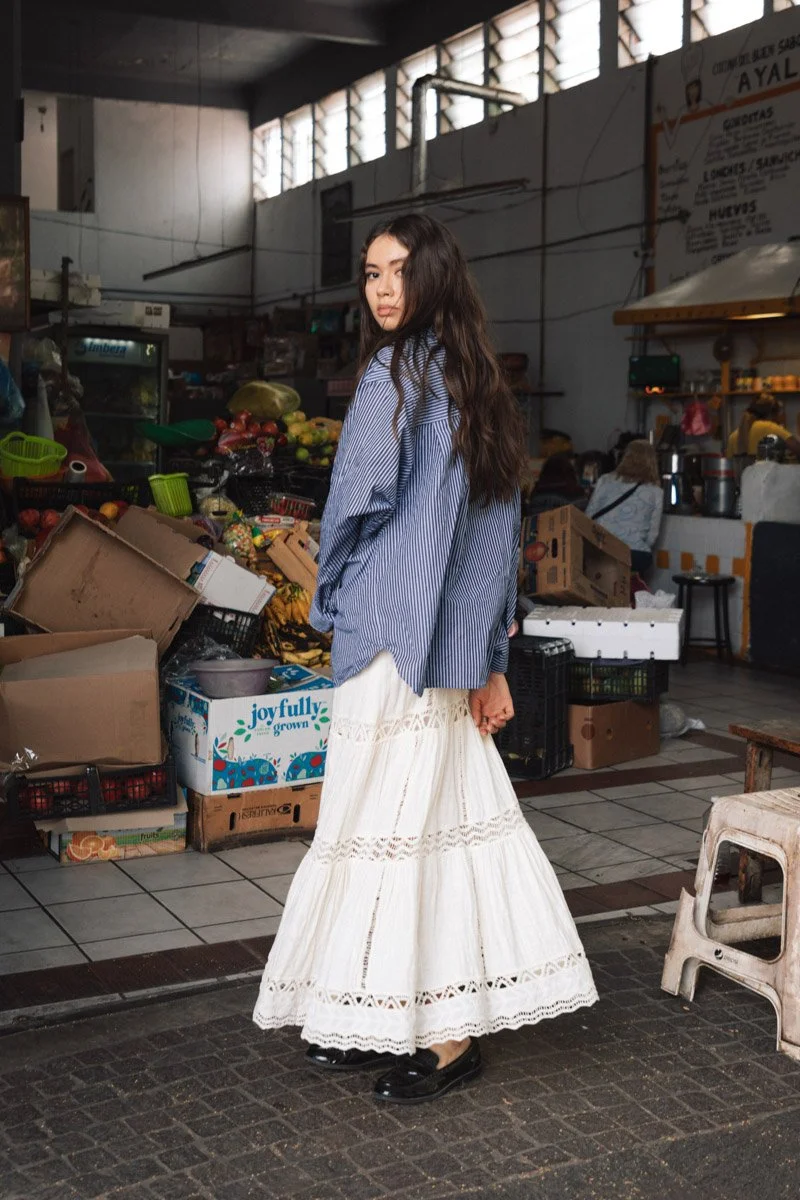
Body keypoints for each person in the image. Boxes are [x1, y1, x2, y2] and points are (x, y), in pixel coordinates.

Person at [253, 214, 597, 1105]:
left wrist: (334, 595)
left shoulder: (391, 376)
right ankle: (411, 1023)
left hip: (383, 642)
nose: (381, 289)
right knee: (425, 828)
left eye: (398, 271)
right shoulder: (477, 383)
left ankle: (441, 1037)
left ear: (435, 275)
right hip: (438, 654)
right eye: (370, 274)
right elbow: (495, 541)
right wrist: (486, 659)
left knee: (385, 832)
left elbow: (351, 508)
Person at [586, 439, 663, 576]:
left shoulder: (605, 480)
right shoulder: (656, 491)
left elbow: (588, 515)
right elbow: (652, 535)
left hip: (601, 548)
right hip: (635, 555)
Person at [726, 394, 800, 460]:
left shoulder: (734, 435)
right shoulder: (768, 427)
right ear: (772, 414)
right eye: (777, 414)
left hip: (743, 475)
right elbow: (797, 447)